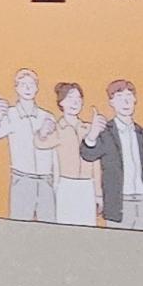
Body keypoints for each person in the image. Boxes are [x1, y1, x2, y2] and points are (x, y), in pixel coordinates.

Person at [83, 77, 143, 230]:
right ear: (111, 102)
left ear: (135, 100)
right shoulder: (105, 132)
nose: (126, 102)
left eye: (129, 96)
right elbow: (88, 154)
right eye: (119, 97)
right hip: (119, 203)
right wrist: (92, 134)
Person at [0, 68, 57, 223]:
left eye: (31, 84)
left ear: (37, 88)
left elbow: (55, 151)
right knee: (20, 224)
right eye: (23, 84)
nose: (28, 88)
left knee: (50, 225)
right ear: (16, 88)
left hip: (46, 180)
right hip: (23, 179)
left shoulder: (47, 116)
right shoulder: (10, 115)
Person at [42, 80, 99, 227]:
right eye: (70, 98)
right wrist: (43, 132)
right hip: (66, 185)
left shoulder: (88, 129)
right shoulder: (57, 128)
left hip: (87, 185)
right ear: (61, 102)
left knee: (88, 229)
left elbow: (96, 164)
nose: (75, 102)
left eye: (78, 98)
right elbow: (41, 143)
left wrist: (98, 193)